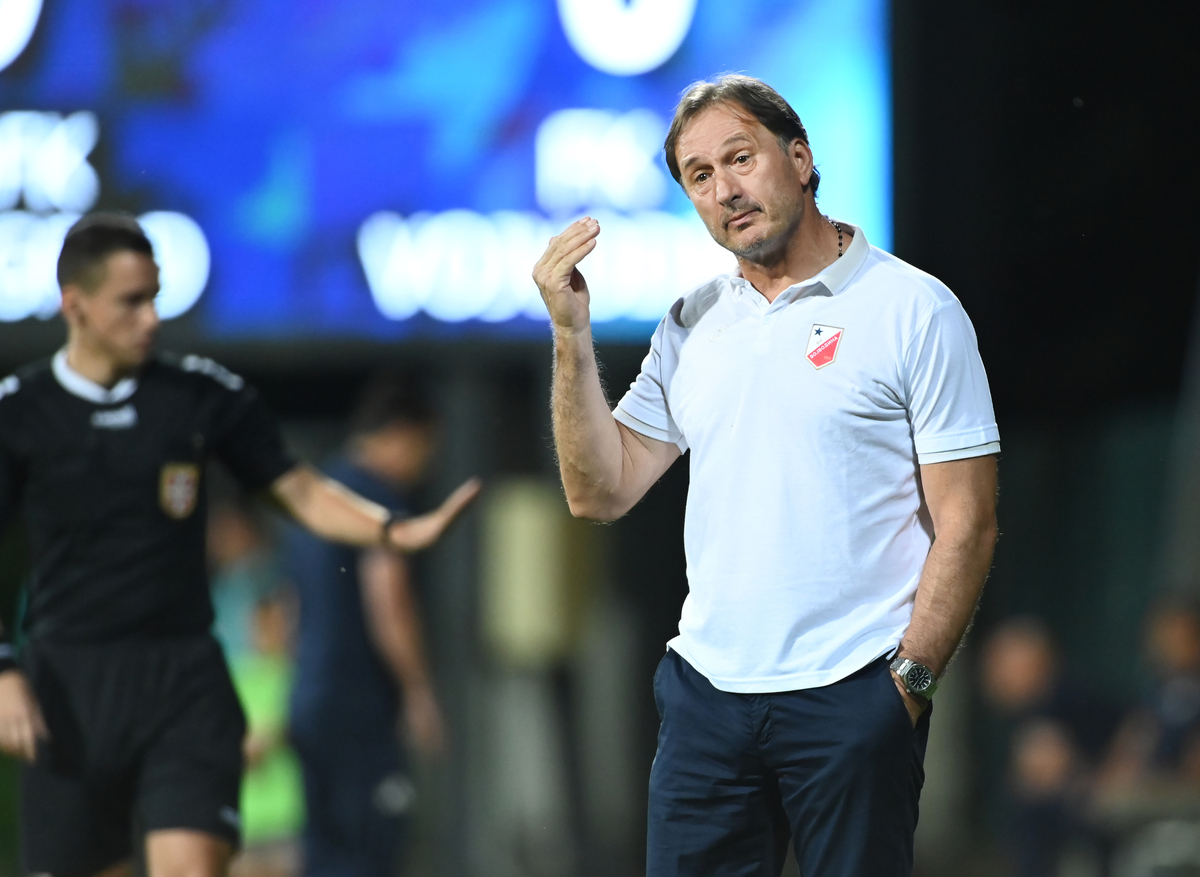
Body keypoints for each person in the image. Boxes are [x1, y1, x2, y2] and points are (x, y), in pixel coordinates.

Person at [532, 74, 1000, 876]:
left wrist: (907, 684)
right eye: (700, 176)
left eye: (739, 158)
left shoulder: (914, 308)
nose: (724, 190)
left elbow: (970, 522)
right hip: (707, 699)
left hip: (854, 692)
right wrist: (571, 335)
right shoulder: (692, 322)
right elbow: (598, 490)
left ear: (801, 158)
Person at [0, 213, 479, 877]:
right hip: (72, 685)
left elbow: (299, 490)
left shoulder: (199, 396)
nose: (151, 318)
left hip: (182, 681)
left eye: (155, 297)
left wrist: (392, 529)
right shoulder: (21, 412)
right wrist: (4, 671)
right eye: (131, 302)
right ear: (74, 305)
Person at [283, 375, 445, 877]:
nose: (423, 467)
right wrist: (418, 692)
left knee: (322, 852)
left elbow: (289, 609)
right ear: (401, 434)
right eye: (424, 450)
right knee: (370, 850)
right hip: (359, 706)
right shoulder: (376, 499)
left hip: (309, 701)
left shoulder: (317, 495)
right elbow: (388, 600)